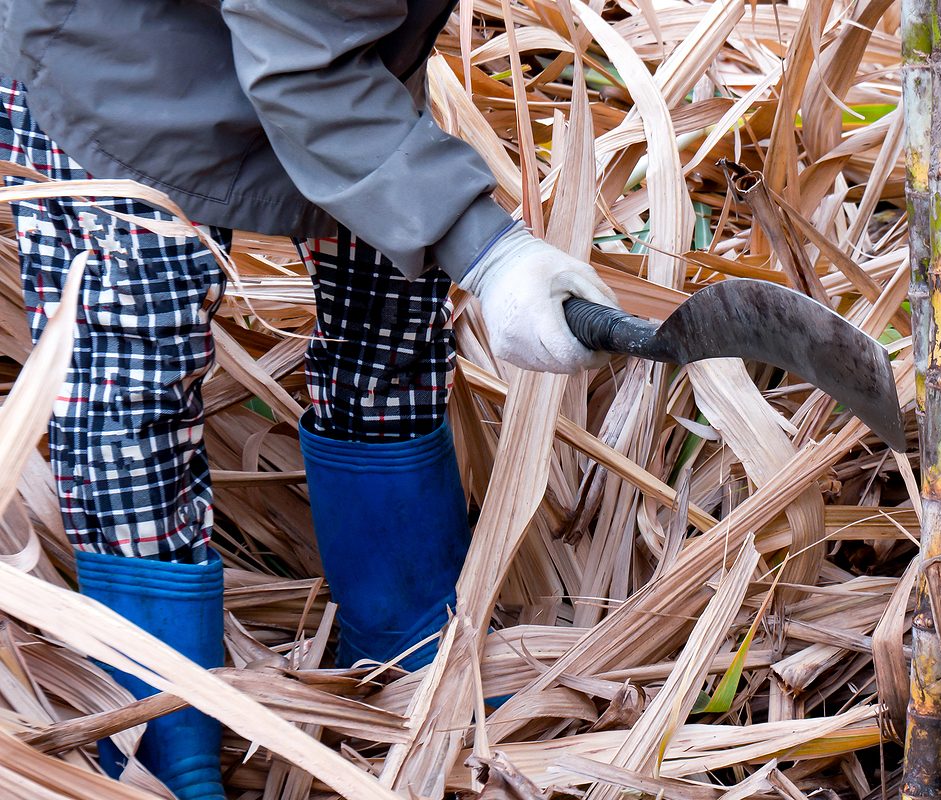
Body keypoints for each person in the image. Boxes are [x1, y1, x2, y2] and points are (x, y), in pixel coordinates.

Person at [0, 2, 617, 797]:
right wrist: (492, 253)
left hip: (312, 53)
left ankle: (408, 635)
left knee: (393, 287)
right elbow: (305, 72)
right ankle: (160, 740)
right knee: (132, 371)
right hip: (109, 61)